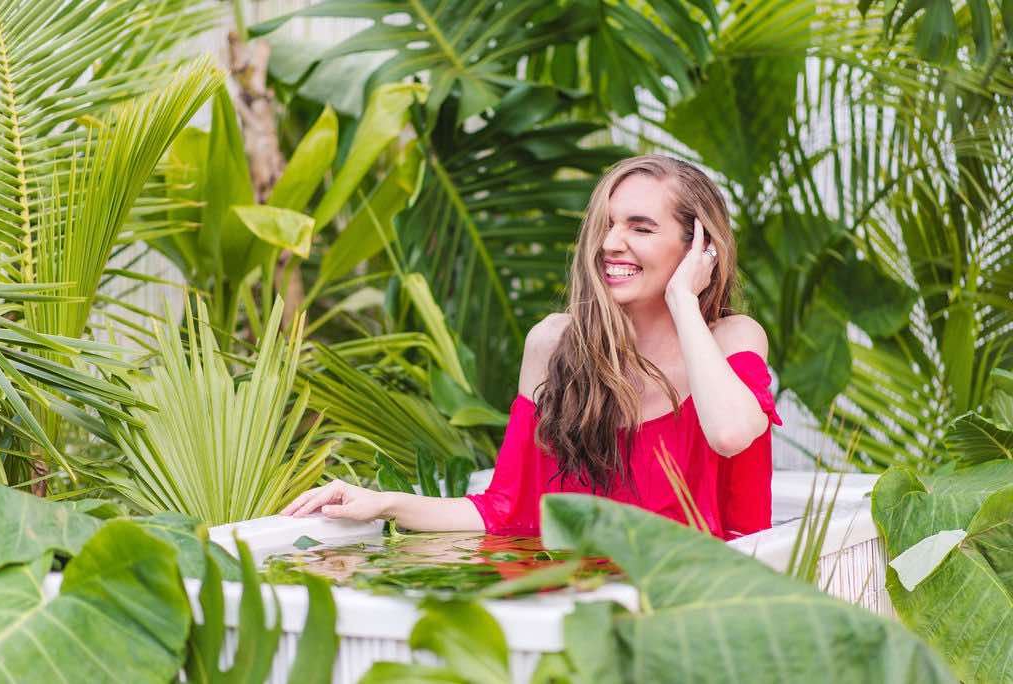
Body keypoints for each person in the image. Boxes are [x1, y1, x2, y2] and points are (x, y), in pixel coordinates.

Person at [282, 155, 782, 540]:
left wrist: (683, 301)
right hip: (576, 608)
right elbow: (507, 509)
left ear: (700, 247)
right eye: (606, 225)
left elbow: (730, 433)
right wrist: (384, 503)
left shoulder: (731, 338)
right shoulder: (556, 345)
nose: (610, 243)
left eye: (640, 227)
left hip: (703, 618)